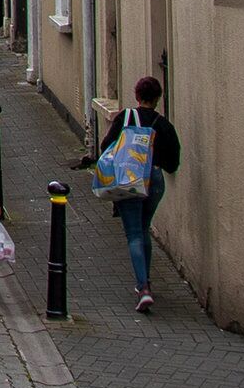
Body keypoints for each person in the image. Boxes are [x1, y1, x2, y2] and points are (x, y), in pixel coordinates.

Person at [78, 74, 182, 312]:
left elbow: (106, 146)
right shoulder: (162, 124)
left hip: (128, 180)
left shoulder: (125, 118)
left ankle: (143, 287)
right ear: (158, 99)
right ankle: (146, 282)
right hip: (153, 180)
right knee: (144, 229)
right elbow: (173, 162)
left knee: (134, 233)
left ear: (137, 96)